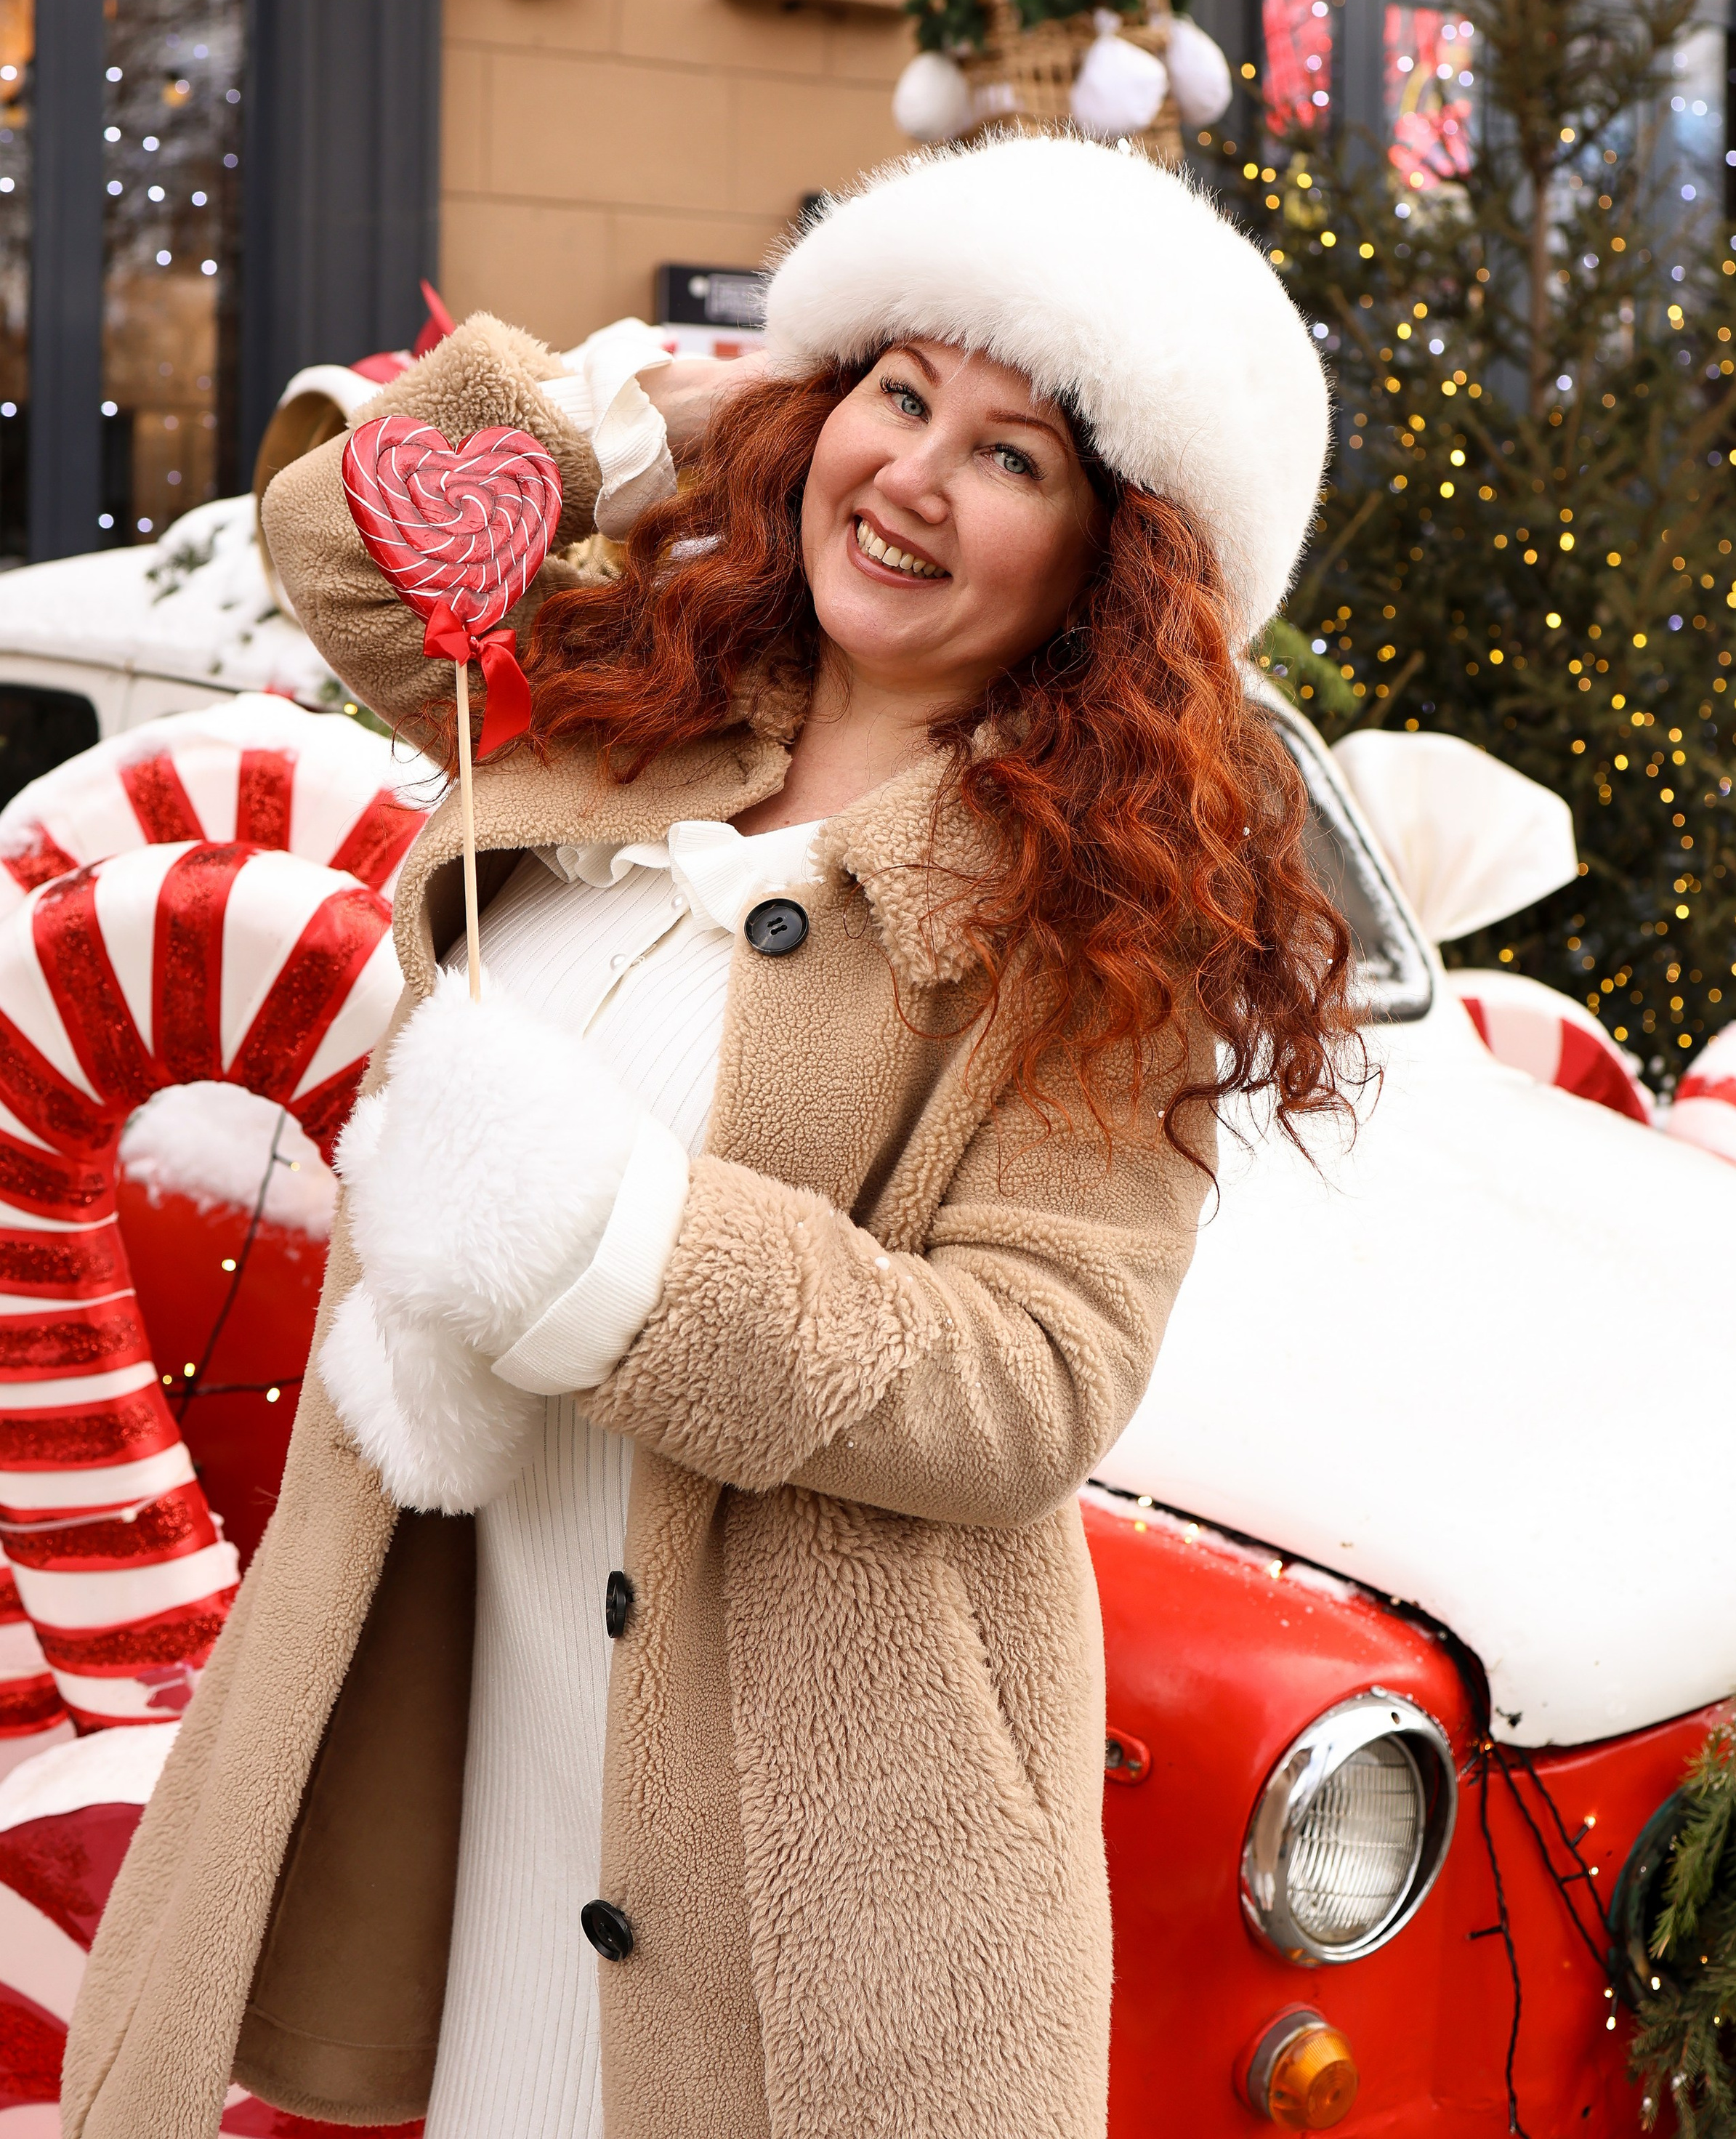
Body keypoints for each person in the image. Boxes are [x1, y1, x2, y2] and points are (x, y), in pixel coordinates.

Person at [65, 131, 1357, 2139]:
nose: (917, 474)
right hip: (490, 1733)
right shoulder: (638, 698)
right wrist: (634, 421)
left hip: (810, 1850)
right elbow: (342, 541)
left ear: (1114, 564)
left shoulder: (1097, 922)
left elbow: (1030, 1383)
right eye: (896, 394)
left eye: (1014, 456)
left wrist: (606, 1243)